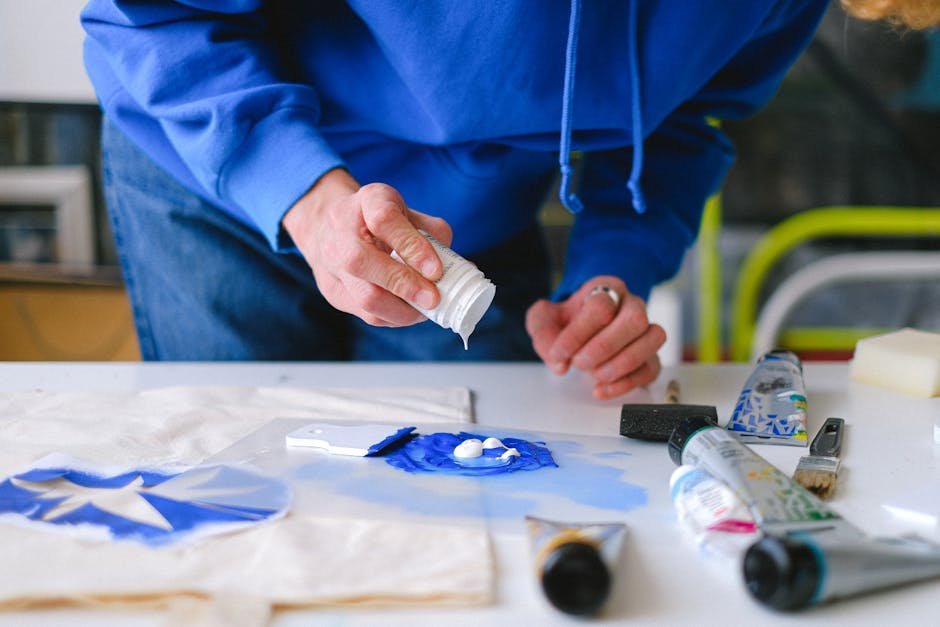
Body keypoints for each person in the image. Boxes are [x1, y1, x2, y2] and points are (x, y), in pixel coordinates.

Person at [81, 1, 830, 399]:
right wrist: (298, 190)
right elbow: (159, 15)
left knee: (473, 507)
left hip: (468, 233)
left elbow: (690, 114)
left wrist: (613, 268)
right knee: (247, 502)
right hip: (222, 164)